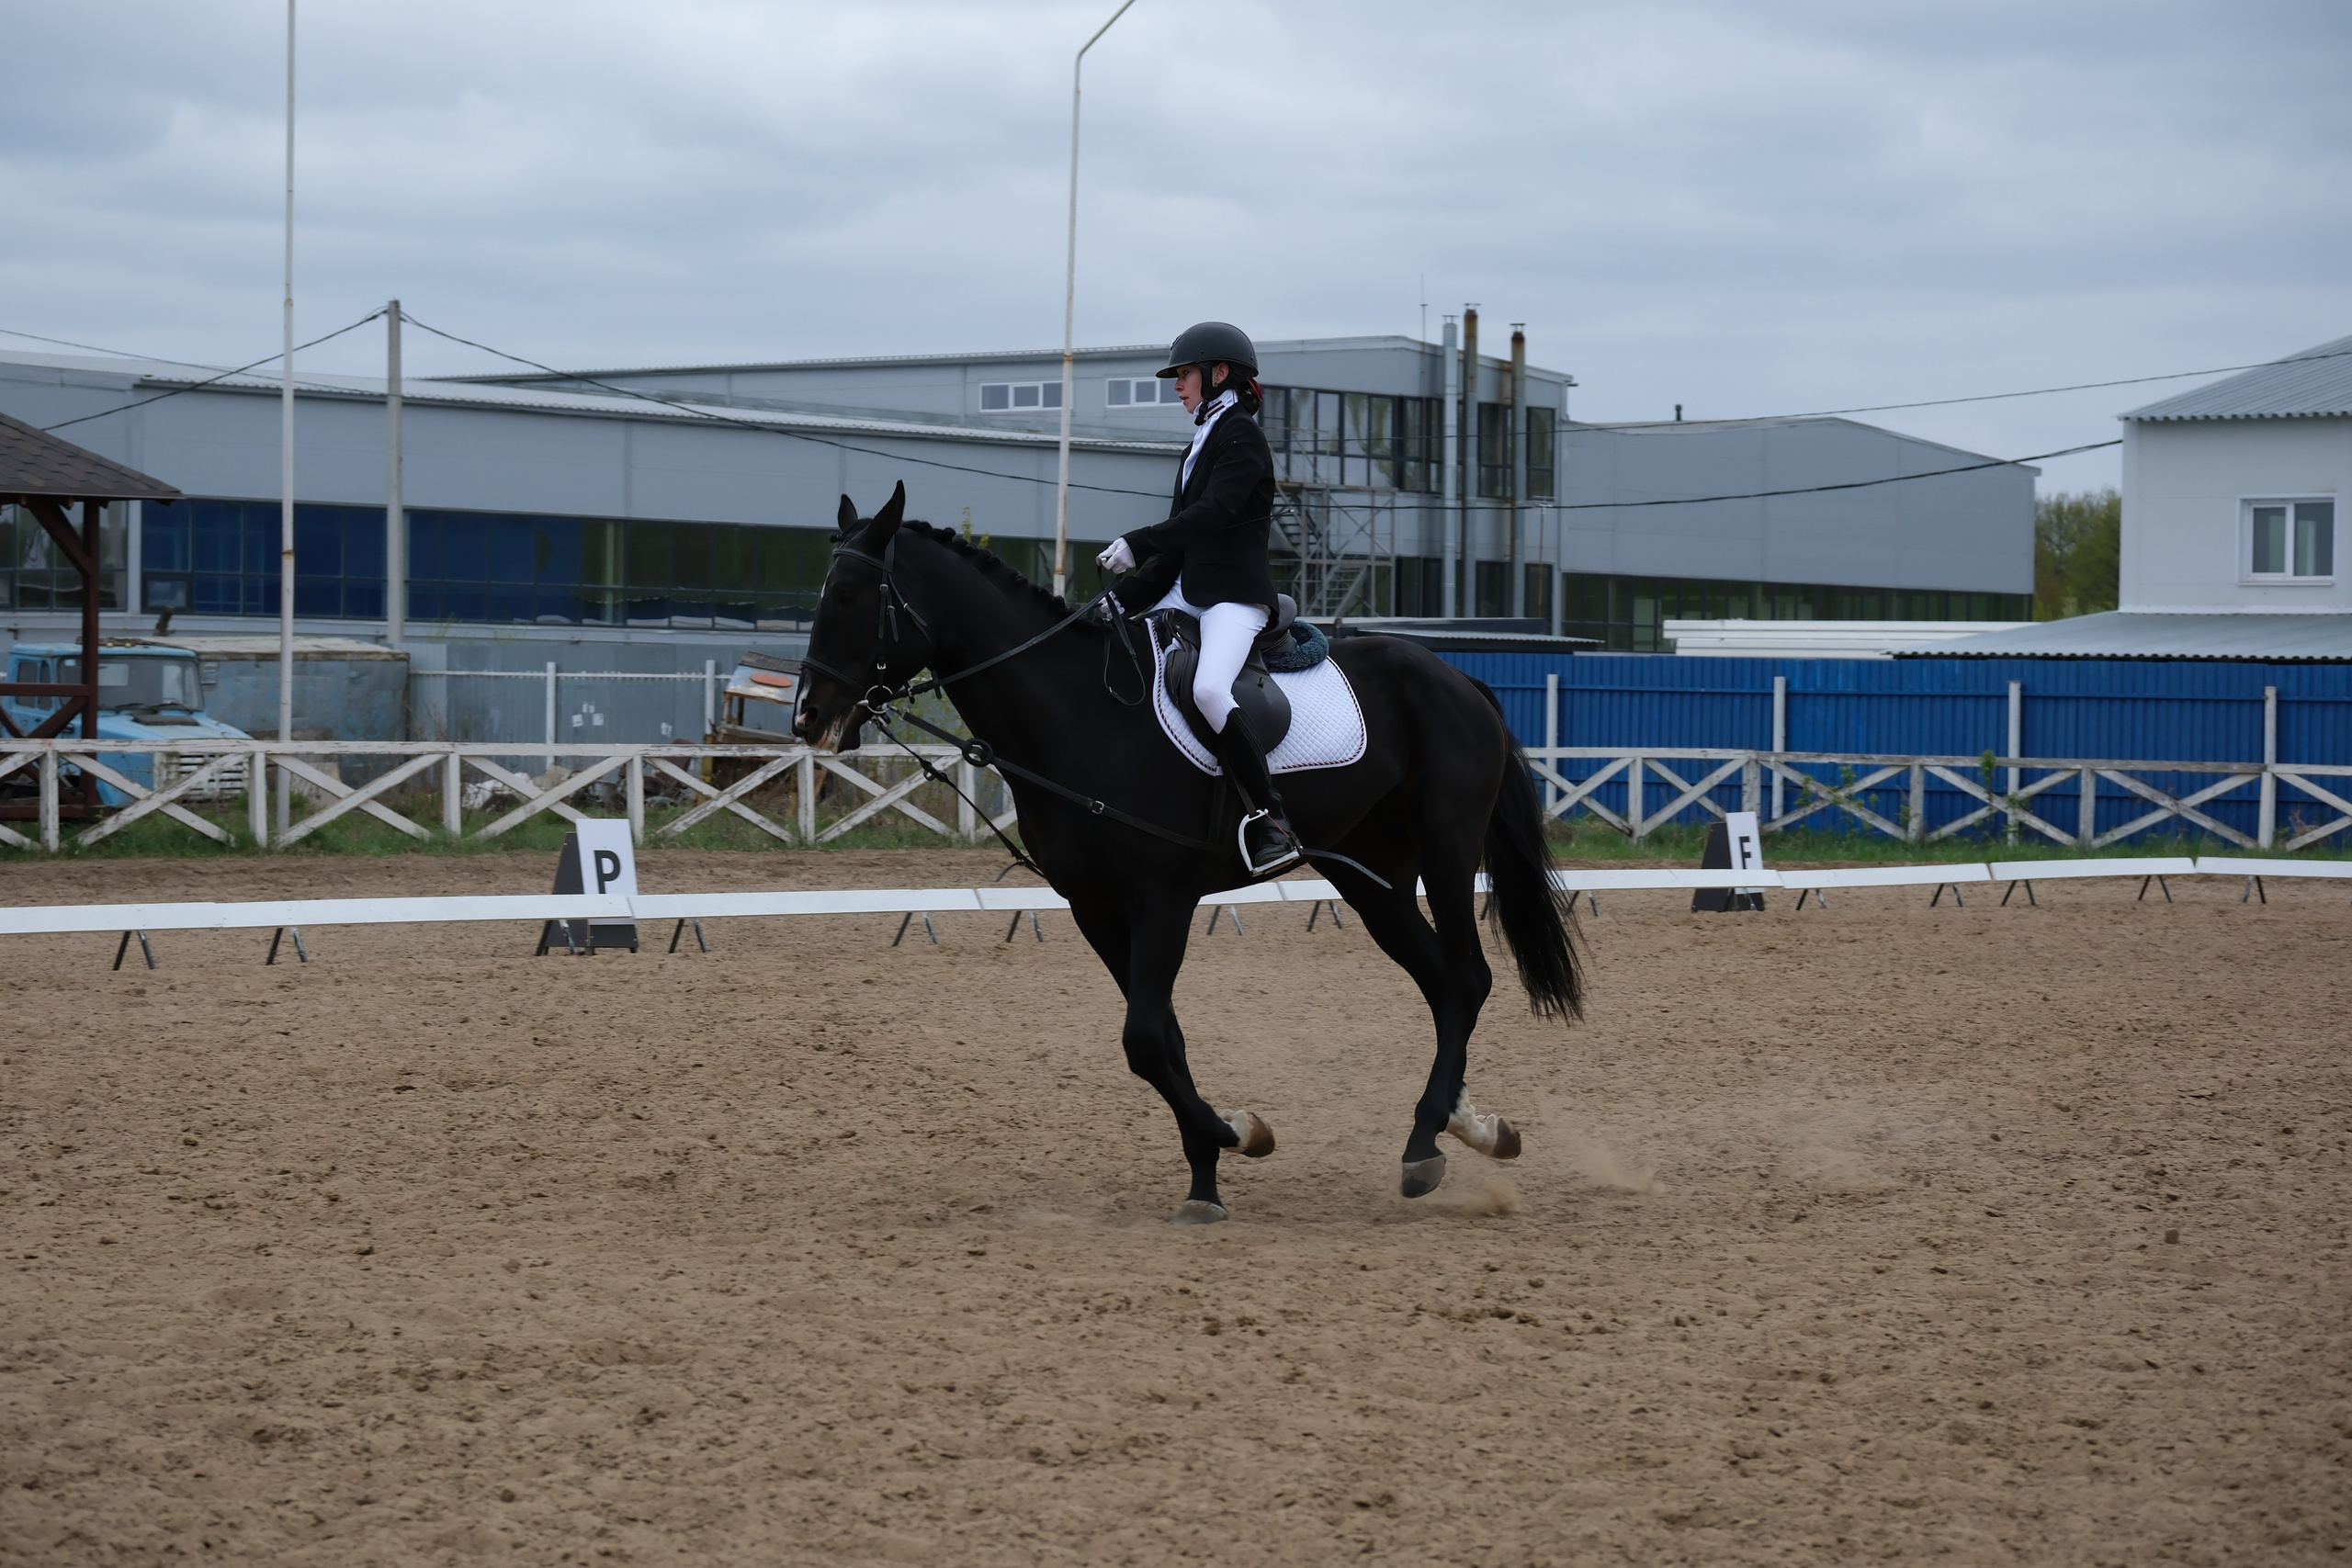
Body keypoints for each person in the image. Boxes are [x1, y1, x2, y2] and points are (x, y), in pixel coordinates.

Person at [1097, 321, 1302, 875]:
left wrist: (1138, 542)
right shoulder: (1197, 444)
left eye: (1184, 374)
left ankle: (1271, 818)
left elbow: (1211, 515)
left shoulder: (1242, 437)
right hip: (1189, 592)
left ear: (1218, 374)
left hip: (1234, 597)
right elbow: (1176, 550)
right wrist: (1119, 601)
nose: (1177, 385)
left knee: (1209, 689)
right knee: (1123, 655)